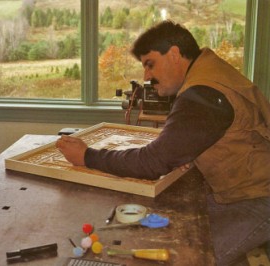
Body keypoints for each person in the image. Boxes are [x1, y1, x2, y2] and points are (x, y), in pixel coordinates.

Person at [56, 20, 270, 266]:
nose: (147, 76)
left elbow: (151, 162)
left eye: (150, 64)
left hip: (257, 199)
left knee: (185, 259)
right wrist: (181, 153)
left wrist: (87, 156)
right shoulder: (208, 71)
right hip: (240, 189)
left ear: (175, 54)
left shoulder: (203, 95)